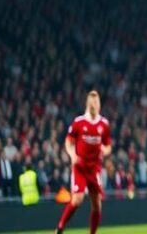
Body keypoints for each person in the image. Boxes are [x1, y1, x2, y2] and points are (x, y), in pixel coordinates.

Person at [56, 90, 112, 234]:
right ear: (89, 105)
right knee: (77, 200)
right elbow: (68, 142)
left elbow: (108, 145)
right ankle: (60, 227)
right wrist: (72, 155)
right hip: (80, 167)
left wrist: (105, 151)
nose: (96, 106)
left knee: (97, 205)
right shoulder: (79, 122)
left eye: (98, 103)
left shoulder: (104, 124)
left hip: (94, 169)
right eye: (93, 103)